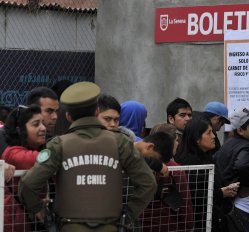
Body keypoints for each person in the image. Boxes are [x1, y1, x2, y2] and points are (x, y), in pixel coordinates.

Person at [18, 81, 157, 231]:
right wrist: (128, 216)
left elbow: (28, 184)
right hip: (110, 226)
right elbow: (148, 183)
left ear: (68, 116)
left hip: (69, 226)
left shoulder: (58, 145)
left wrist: (44, 214)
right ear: (97, 111)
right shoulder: (120, 142)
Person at [175, 118, 238, 232]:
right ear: (197, 139)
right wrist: (221, 193)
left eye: (212, 132)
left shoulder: (207, 157)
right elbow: (193, 195)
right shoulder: (188, 163)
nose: (213, 136)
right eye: (208, 133)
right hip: (198, 223)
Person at [214, 106, 249, 232]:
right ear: (240, 130)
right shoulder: (247, 147)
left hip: (225, 204)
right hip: (238, 204)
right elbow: (242, 165)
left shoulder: (229, 143)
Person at [2, 104, 47, 232]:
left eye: (43, 123)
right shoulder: (12, 153)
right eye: (36, 124)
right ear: (18, 129)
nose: (43, 128)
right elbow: (39, 160)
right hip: (14, 225)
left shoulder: (38, 149)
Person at [141, 128, 194, 232]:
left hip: (137, 224)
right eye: (175, 140)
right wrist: (189, 225)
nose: (177, 143)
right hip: (166, 224)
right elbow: (185, 202)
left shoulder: (130, 163)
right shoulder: (174, 169)